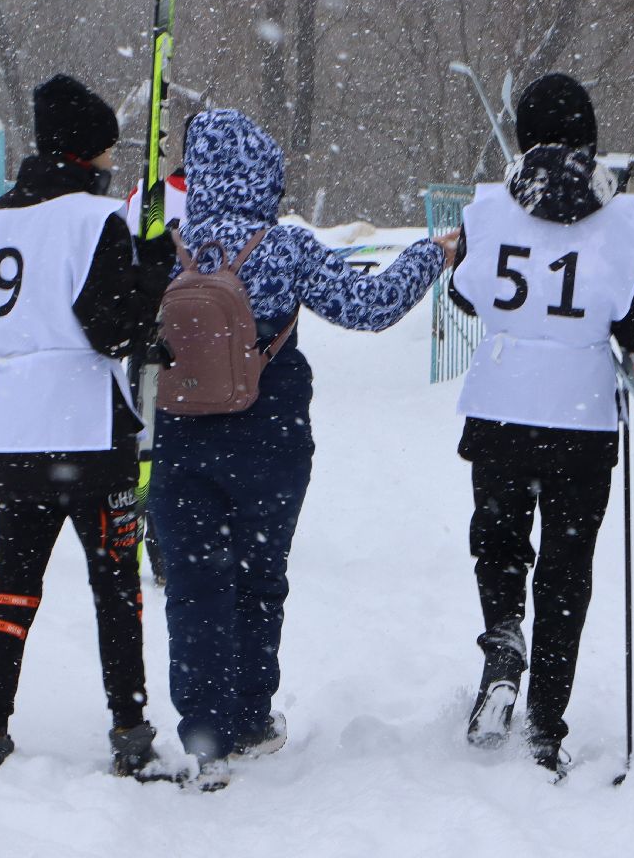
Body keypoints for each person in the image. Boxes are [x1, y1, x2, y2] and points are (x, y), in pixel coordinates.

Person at [151, 108, 453, 782]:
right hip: (269, 437)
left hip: (182, 441)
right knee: (259, 581)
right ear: (263, 175)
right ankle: (252, 719)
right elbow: (370, 308)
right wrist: (434, 253)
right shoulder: (283, 247)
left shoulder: (164, 247)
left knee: (196, 587)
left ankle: (203, 731)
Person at [0, 73, 184, 780]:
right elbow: (112, 331)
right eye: (109, 151)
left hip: (17, 441)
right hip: (90, 433)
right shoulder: (92, 220)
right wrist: (154, 270)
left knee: (10, 586)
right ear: (89, 153)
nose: (113, 164)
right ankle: (130, 732)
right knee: (117, 588)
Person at [446, 72, 634, 778]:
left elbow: (465, 294)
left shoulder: (487, 212)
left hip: (502, 407)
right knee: (568, 569)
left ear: (522, 137)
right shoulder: (629, 222)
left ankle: (503, 643)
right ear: (591, 136)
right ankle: (546, 720)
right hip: (581, 418)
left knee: (501, 546)